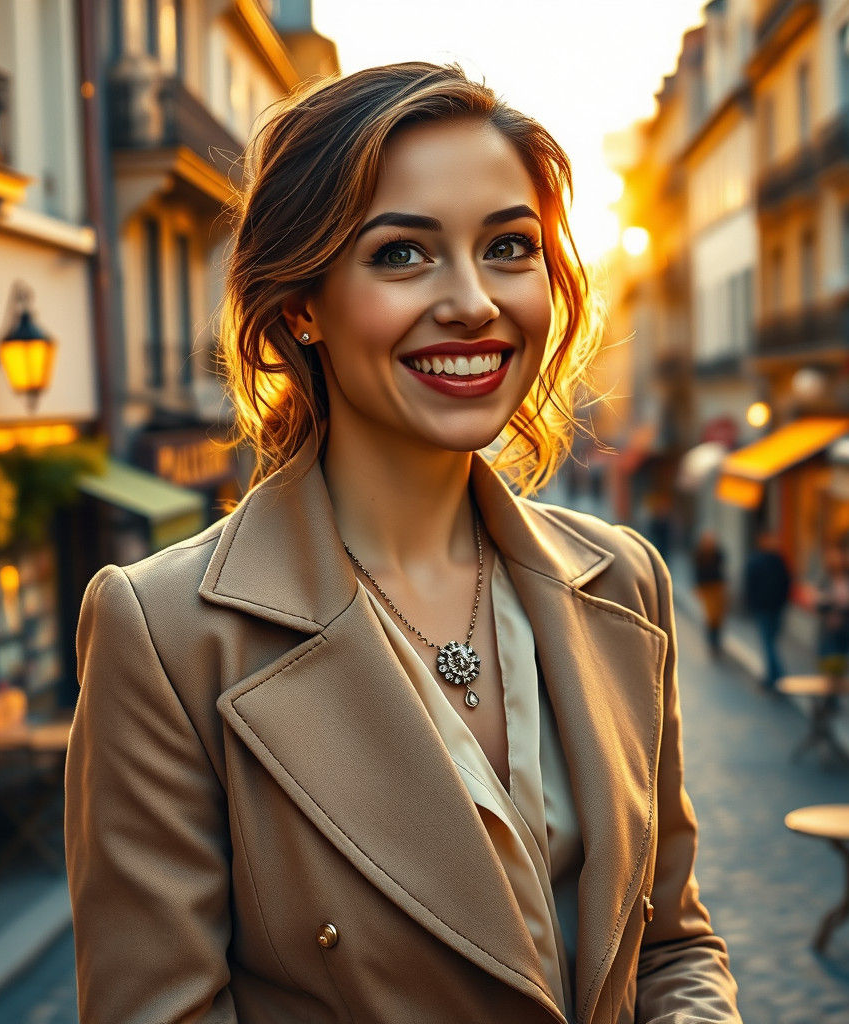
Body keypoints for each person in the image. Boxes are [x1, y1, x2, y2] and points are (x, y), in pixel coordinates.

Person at [65, 63, 740, 1024]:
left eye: (510, 246)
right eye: (402, 255)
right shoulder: (168, 634)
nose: (473, 302)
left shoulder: (625, 581)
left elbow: (671, 942)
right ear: (300, 304)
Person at [743, 532, 792, 690]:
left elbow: (786, 582)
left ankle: (774, 675)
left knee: (769, 642)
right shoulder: (762, 561)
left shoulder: (777, 560)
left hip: (772, 608)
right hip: (767, 608)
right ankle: (775, 675)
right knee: (769, 642)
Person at [812, 542, 849, 677]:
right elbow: (818, 602)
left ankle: (832, 695)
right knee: (827, 667)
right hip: (828, 630)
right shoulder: (826, 577)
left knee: (840, 668)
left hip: (845, 628)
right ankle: (827, 696)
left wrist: (843, 613)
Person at [693, 531, 727, 659]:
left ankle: (717, 642)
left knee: (718, 617)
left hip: (717, 587)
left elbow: (722, 571)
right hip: (706, 589)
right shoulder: (699, 554)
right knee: (710, 617)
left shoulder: (718, 554)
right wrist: (697, 588)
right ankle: (712, 643)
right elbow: (697, 572)